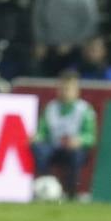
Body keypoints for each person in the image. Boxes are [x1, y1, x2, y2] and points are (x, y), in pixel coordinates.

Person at [33, 71, 97, 201]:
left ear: (76, 91)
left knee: (76, 155)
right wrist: (37, 137)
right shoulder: (51, 107)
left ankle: (71, 192)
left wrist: (79, 140)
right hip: (53, 147)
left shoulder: (85, 109)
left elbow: (91, 136)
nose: (65, 92)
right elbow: (42, 131)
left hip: (73, 149)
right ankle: (46, 187)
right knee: (40, 150)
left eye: (68, 89)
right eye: (62, 88)